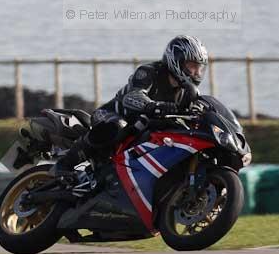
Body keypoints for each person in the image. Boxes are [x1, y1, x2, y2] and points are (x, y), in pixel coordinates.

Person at [54, 34, 209, 176]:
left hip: (142, 130)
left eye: (199, 68)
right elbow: (133, 95)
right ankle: (65, 164)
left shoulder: (189, 92)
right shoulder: (149, 72)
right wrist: (152, 105)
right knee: (117, 126)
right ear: (177, 60)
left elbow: (199, 107)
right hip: (111, 115)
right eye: (192, 66)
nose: (196, 72)